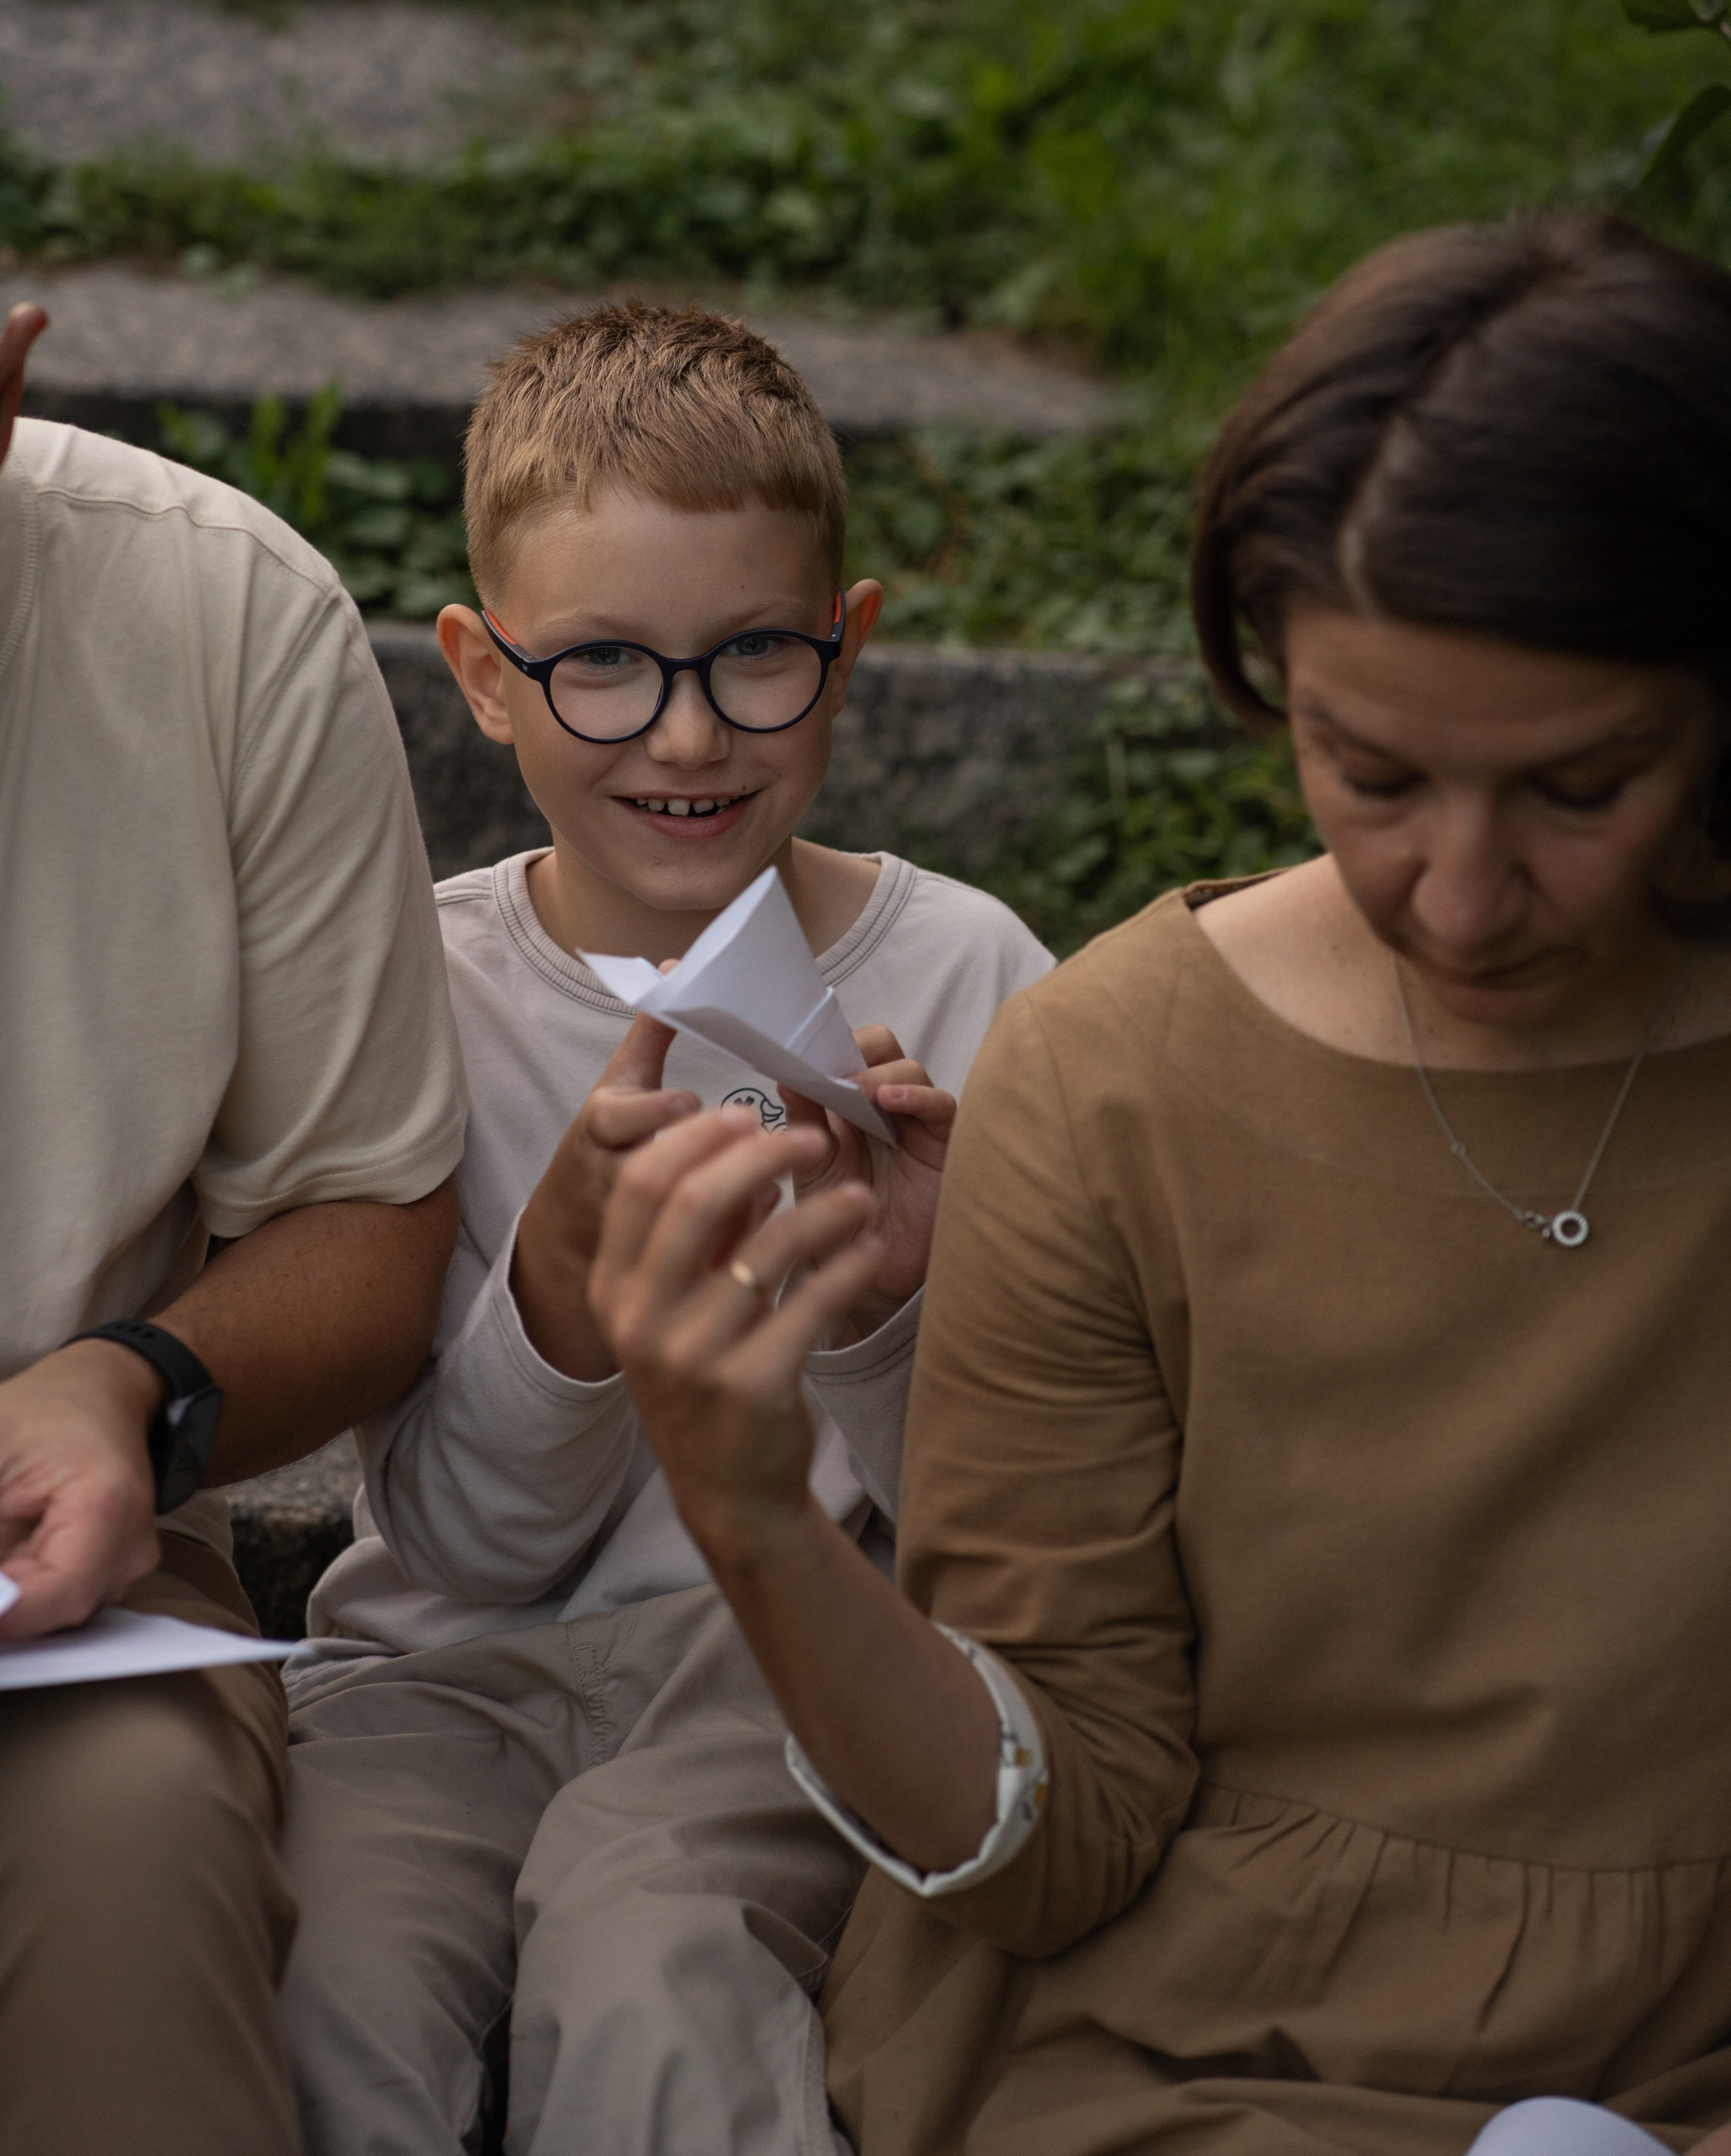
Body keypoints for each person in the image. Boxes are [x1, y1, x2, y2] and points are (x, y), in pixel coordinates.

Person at [577, 215, 1731, 2155]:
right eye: (1364, 772)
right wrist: (755, 1514)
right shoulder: (1119, 1076)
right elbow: (1060, 1831)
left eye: (1575, 789)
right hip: (1197, 2071)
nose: (1456, 894)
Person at [276, 302, 1051, 2156]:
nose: (687, 733)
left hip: (781, 1666)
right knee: (331, 1988)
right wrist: (559, 1289)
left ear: (848, 649)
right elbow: (457, 1543)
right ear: (480, 672)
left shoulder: (973, 978)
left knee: (649, 1955)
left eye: (755, 658)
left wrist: (882, 1302)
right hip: (434, 1680)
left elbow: (1007, 1507)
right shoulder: (424, 990)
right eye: (603, 665)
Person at [0, 302, 468, 2156]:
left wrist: (132, 1385)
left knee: (130, 1836)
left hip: (51, 1581)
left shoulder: (214, 615)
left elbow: (368, 1218)